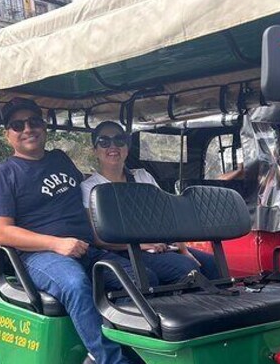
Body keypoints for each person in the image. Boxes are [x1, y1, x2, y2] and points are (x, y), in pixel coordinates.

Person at [0, 98, 159, 364]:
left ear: (44, 126)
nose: (28, 129)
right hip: (38, 255)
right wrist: (56, 243)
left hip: (85, 247)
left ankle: (102, 353)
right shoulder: (3, 174)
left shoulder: (60, 160)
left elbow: (93, 196)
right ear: (7, 133)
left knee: (141, 276)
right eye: (18, 125)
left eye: (33, 122)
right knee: (76, 285)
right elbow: (1, 233)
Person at [81, 121, 220, 282]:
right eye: (104, 142)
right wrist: (144, 245)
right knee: (184, 268)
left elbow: (167, 214)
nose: (113, 147)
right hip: (123, 250)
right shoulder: (89, 188)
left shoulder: (142, 176)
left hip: (157, 245)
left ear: (127, 147)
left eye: (119, 140)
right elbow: (98, 238)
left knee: (211, 264)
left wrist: (182, 248)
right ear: (95, 150)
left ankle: (224, 304)